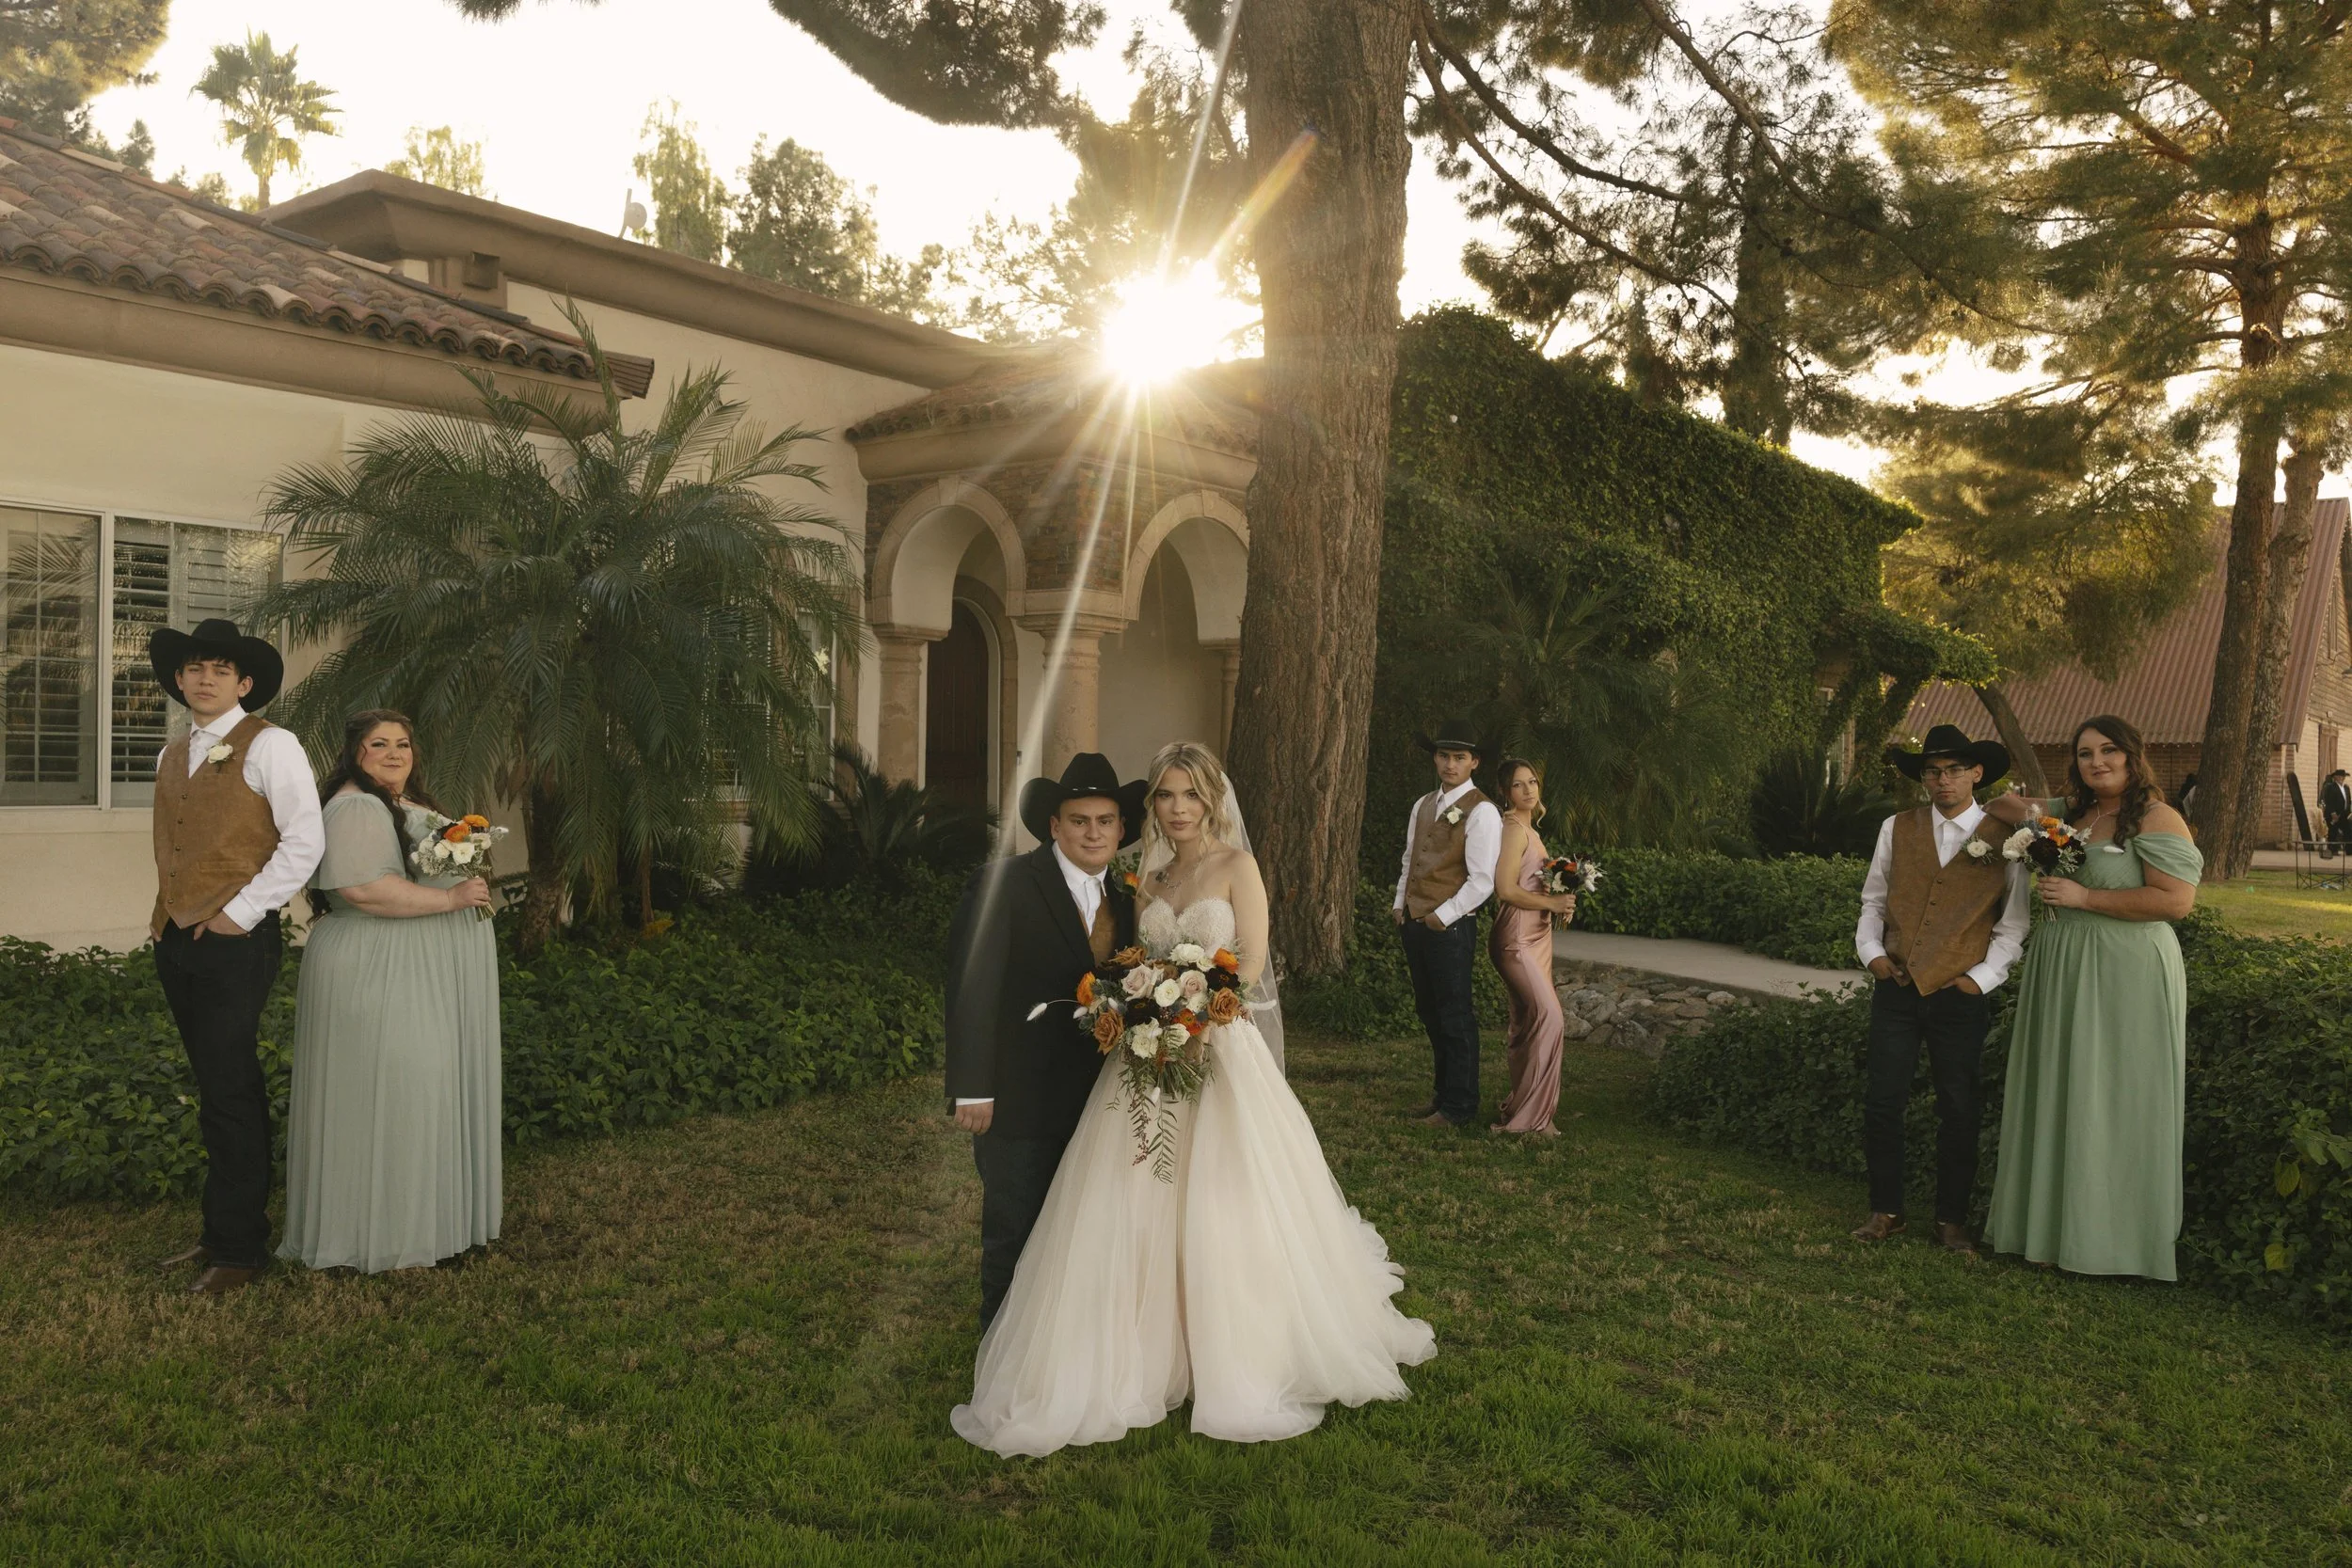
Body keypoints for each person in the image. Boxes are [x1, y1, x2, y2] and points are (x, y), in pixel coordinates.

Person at [952, 742, 1435, 1457]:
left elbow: (1255, 963)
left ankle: (1229, 1347)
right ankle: (1127, 1340)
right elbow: (1129, 965)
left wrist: (1198, 1019)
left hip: (1219, 1055)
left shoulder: (1237, 867)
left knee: (1222, 1204)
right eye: (1167, 797)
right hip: (1143, 1060)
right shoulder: (1144, 878)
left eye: (1190, 795)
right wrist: (1149, 1013)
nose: (1177, 808)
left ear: (1211, 800)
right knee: (1130, 1199)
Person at [278, 710, 502, 1274]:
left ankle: (422, 1227)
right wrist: (452, 900)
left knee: (416, 1091)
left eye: (403, 743)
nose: (394, 753)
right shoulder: (356, 805)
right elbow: (364, 889)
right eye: (378, 744)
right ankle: (380, 1235)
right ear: (356, 754)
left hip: (417, 963)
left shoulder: (400, 803)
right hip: (381, 964)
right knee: (398, 1091)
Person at [145, 619, 326, 1296]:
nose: (205, 678)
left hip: (236, 940)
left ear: (244, 683)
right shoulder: (174, 753)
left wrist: (236, 915)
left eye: (220, 669)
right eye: (194, 668)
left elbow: (304, 842)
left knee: (231, 1090)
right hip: (175, 938)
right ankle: (219, 1230)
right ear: (180, 679)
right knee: (213, 1088)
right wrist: (169, 919)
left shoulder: (271, 744)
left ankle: (240, 1248)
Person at [1986, 714, 2201, 1280]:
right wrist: (2042, 822)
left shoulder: (2158, 818)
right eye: (2085, 754)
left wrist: (2085, 897)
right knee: (2061, 1086)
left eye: (2109, 751)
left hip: (2124, 970)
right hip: (2062, 964)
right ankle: (2054, 1230)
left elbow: (2176, 903)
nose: (2098, 762)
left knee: (2115, 1094)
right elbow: (2001, 805)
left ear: (2134, 756)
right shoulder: (2074, 814)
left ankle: (2116, 1242)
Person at [944, 752, 1143, 1329]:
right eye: (1079, 820)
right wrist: (972, 1086)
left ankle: (1064, 1352)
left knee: (1085, 1232)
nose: (1093, 832)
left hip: (1100, 1098)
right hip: (1018, 1098)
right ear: (1053, 825)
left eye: (1105, 821)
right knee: (1015, 1231)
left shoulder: (1130, 897)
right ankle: (999, 1362)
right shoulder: (1004, 883)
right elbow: (970, 986)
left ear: (1121, 829)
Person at [1851, 724, 2031, 1254]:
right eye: (1933, 771)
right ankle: (1886, 1210)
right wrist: (1874, 956)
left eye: (1954, 769)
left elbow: (2013, 924)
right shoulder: (1896, 827)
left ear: (1977, 773)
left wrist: (1979, 981)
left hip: (1960, 994)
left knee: (1959, 1107)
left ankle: (1951, 1219)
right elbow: (1873, 901)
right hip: (1898, 986)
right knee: (1883, 1101)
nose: (1942, 779)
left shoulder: (2009, 840)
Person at [1392, 719, 1502, 1128]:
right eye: (1444, 756)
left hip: (1450, 927)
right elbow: (1410, 859)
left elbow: (1483, 880)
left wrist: (1442, 916)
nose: (1450, 764)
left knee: (1455, 1016)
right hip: (1415, 921)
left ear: (1474, 762)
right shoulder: (1423, 805)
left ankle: (1460, 1106)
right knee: (1431, 1011)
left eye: (1459, 757)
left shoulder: (1482, 810)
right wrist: (1400, 905)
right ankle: (1443, 1097)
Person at [1487, 757, 1575, 1136]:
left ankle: (1523, 1108)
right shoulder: (1512, 830)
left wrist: (1561, 899)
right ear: (1506, 793)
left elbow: (1532, 882)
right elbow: (1505, 889)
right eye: (1519, 784)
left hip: (1536, 938)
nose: (1529, 789)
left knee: (1526, 1025)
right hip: (1517, 940)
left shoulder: (1530, 829)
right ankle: (1532, 1120)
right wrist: (1550, 903)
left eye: (1533, 781)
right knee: (1550, 1018)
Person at [2320, 768, 2350, 857]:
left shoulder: (2346, 788)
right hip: (2333, 814)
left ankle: (2349, 850)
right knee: (2333, 832)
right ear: (2335, 777)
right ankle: (2333, 850)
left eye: (2342, 776)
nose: (2341, 778)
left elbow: (2348, 801)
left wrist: (2349, 812)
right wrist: (2333, 813)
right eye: (2339, 776)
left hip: (2344, 814)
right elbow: (2328, 801)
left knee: (2348, 830)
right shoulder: (2330, 787)